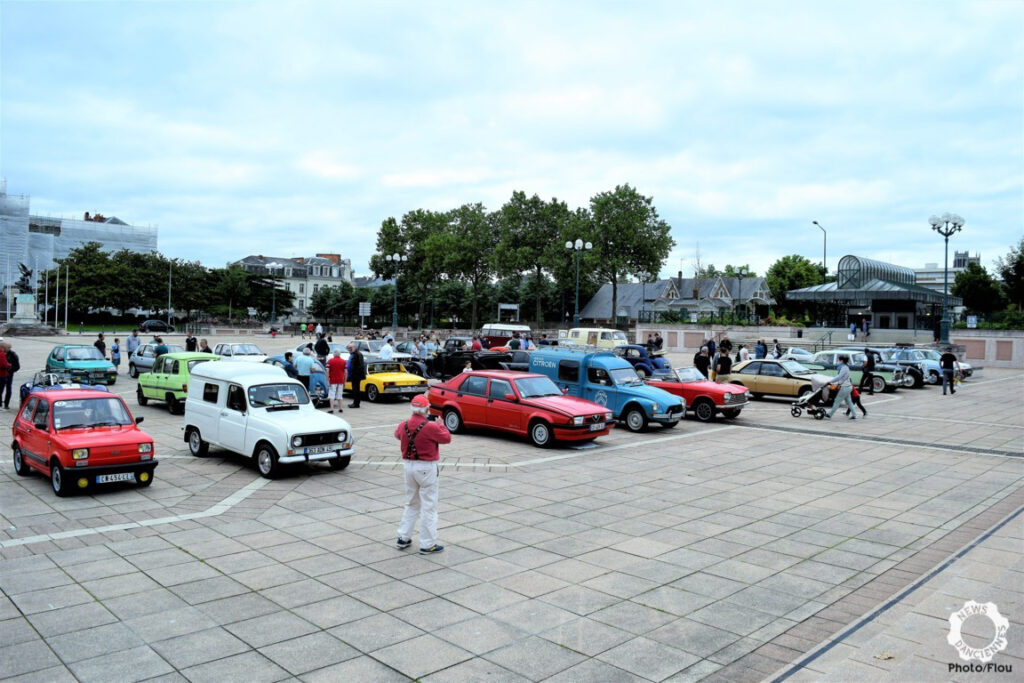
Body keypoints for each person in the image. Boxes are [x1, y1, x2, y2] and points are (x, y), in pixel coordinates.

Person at [395, 394, 452, 554]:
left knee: (411, 503)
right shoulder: (431, 427)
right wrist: (441, 425)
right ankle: (427, 544)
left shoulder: (403, 425)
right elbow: (447, 438)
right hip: (426, 467)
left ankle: (403, 537)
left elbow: (397, 435)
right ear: (426, 409)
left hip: (408, 466)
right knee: (429, 506)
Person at [825, 354, 857, 420]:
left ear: (842, 361)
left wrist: (830, 381)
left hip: (844, 387)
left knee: (837, 401)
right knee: (849, 402)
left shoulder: (844, 368)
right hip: (848, 387)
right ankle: (854, 415)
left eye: (839, 360)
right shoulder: (846, 367)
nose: (838, 361)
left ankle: (830, 414)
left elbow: (839, 377)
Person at [347, 341, 366, 408]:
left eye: (350, 348)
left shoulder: (358, 354)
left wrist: (355, 373)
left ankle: (356, 403)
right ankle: (355, 402)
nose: (349, 349)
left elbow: (360, 366)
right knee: (354, 389)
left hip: (356, 376)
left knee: (356, 389)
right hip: (353, 375)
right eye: (349, 348)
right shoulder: (354, 354)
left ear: (354, 347)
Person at [327, 349, 347, 414]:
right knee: (340, 394)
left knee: (332, 394)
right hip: (341, 380)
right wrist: (345, 381)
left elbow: (327, 371)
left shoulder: (330, 361)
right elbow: (346, 372)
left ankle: (332, 409)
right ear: (339, 354)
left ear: (334, 354)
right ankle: (340, 408)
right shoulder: (343, 361)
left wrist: (328, 380)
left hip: (332, 380)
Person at [0, 341, 13, 410]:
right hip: (2, 375)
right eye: (6, 347)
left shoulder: (12, 354)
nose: (8, 349)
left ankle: (4, 404)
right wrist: (8, 365)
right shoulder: (1, 354)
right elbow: (3, 365)